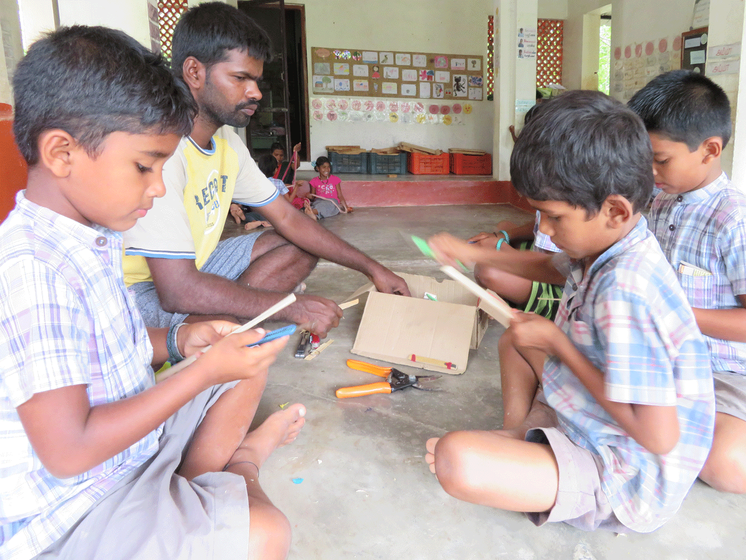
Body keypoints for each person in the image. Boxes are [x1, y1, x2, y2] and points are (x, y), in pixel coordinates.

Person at [1, 25, 305, 560]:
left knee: (250, 359)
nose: (160, 186)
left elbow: (108, 345)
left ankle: (189, 492)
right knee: (266, 536)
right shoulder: (33, 268)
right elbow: (69, 452)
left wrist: (184, 341)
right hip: (78, 505)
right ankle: (240, 466)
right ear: (61, 152)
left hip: (130, 452)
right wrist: (206, 372)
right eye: (145, 165)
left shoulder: (91, 235)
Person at [424, 91, 715, 533]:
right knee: (514, 341)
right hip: (592, 413)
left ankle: (537, 455)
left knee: (455, 459)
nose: (546, 231)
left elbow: (658, 437)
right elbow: (550, 265)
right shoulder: (613, 239)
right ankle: (525, 435)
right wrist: (467, 251)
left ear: (614, 210)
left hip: (627, 472)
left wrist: (558, 342)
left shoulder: (627, 292)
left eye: (554, 218)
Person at [122, 2, 409, 339]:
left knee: (302, 242)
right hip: (140, 294)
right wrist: (291, 306)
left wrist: (372, 269)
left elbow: (287, 218)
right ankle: (202, 339)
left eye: (256, 80)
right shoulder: (162, 151)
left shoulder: (226, 142)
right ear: (194, 72)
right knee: (204, 299)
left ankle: (217, 331)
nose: (255, 92)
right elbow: (176, 291)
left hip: (194, 269)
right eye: (240, 78)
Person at [629, 70, 746, 494]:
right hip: (665, 358)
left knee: (723, 464)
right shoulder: (657, 203)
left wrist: (678, 315)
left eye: (660, 160)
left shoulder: (733, 218)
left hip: (724, 370)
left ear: (709, 150)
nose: (651, 171)